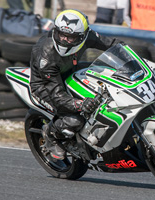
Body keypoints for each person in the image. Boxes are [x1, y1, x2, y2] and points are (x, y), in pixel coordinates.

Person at [30, 9, 121, 160]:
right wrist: (80, 104)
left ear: (82, 36)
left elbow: (112, 44)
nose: (65, 40)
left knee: (103, 76)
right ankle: (51, 135)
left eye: (70, 37)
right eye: (62, 35)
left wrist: (133, 57)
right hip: (45, 85)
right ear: (56, 30)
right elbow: (57, 95)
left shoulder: (88, 36)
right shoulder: (45, 55)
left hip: (69, 72)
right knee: (75, 119)